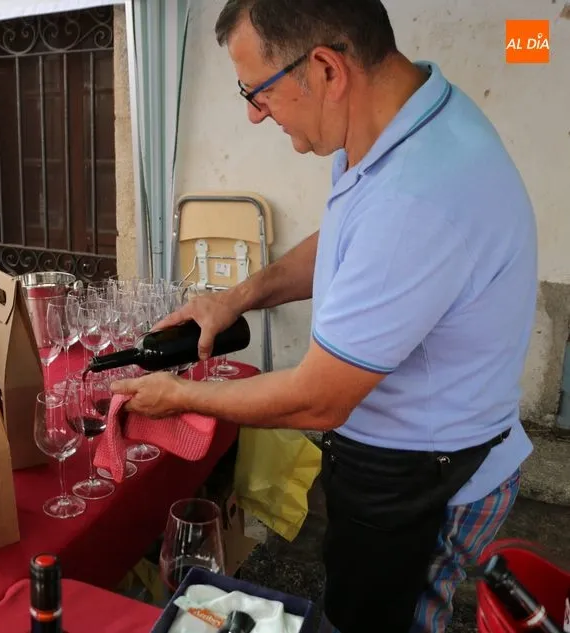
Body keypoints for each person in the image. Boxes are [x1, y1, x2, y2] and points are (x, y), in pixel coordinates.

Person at [111, 1, 537, 632]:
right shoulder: (399, 120)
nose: (255, 114)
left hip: (423, 476)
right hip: (402, 450)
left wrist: (180, 396)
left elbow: (318, 399)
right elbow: (346, 240)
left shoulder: (417, 194)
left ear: (327, 70)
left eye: (257, 92)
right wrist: (238, 297)